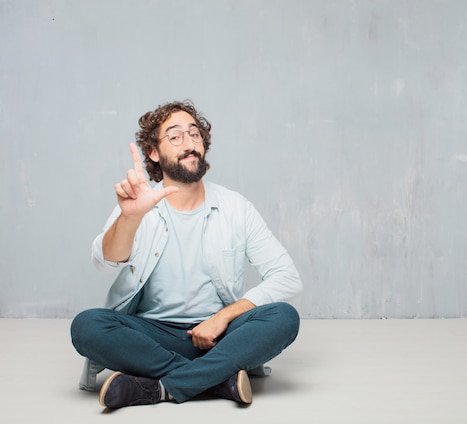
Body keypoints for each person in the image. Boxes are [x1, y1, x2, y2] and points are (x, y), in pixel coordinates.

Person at [71, 100, 302, 409]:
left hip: (219, 336)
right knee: (87, 326)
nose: (190, 143)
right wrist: (130, 217)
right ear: (154, 153)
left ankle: (156, 388)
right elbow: (104, 262)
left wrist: (222, 318)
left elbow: (286, 275)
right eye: (175, 136)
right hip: (153, 335)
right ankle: (218, 380)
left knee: (284, 317)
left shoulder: (235, 207)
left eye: (194, 134)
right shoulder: (141, 205)